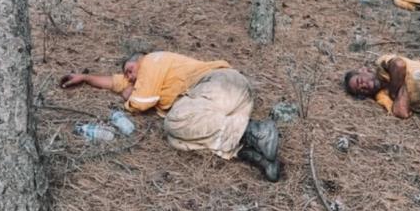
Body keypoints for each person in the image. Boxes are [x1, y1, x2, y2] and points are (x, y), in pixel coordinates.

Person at [60, 51, 281, 181]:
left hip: (222, 84)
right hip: (222, 105)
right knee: (177, 139)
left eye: (130, 70)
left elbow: (140, 102)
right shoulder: (139, 75)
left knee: (175, 119)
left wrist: (129, 99)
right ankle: (256, 155)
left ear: (139, 59)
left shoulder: (152, 61)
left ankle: (255, 131)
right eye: (127, 75)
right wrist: (85, 78)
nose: (129, 77)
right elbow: (116, 82)